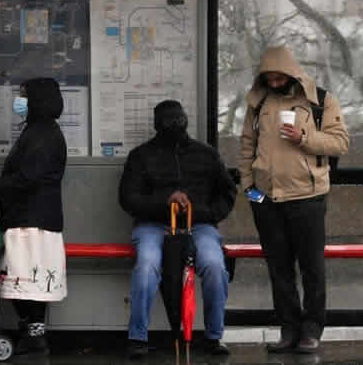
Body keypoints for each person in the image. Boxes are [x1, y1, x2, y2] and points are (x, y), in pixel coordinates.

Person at [239, 45, 349, 354]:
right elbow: (246, 146)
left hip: (307, 197)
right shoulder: (258, 103)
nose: (274, 83)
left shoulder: (321, 101)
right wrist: (249, 189)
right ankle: (288, 329)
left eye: (279, 78)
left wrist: (305, 138)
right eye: (269, 79)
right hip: (266, 199)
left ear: (291, 74)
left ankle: (311, 330)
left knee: (312, 267)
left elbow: (340, 142)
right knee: (279, 269)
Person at [119, 99, 237, 359]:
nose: (174, 125)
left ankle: (213, 336)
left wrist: (203, 213)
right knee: (147, 265)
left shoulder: (206, 154)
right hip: (153, 224)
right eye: (169, 121)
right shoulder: (141, 156)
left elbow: (227, 193)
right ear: (157, 124)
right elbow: (128, 199)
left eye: (178, 119)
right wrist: (165, 202)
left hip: (199, 224)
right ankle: (137, 337)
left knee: (214, 266)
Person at [0, 77, 67, 356]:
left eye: (24, 96)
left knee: (26, 279)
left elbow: (28, 177)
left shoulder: (42, 135)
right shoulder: (41, 131)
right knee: (26, 279)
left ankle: (34, 336)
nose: (19, 101)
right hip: (31, 217)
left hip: (31, 220)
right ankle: (31, 332)